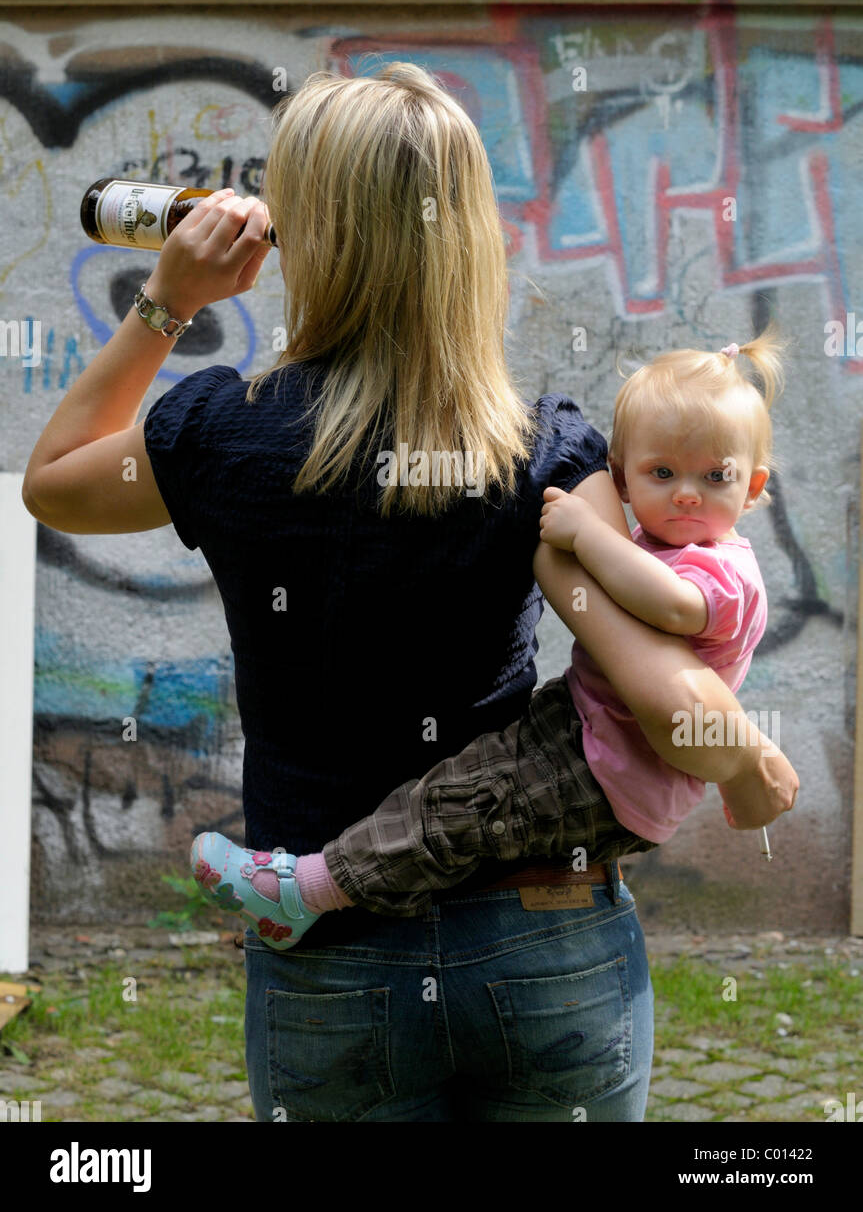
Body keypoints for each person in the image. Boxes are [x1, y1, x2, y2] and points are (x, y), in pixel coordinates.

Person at [22, 62, 798, 1122]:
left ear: (307, 232)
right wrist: (742, 755)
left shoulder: (218, 432)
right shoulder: (548, 454)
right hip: (543, 932)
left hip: (328, 953)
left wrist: (170, 300)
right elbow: (674, 690)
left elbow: (52, 481)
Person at [190, 328, 796, 951]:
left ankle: (304, 893)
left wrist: (589, 536)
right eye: (662, 472)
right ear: (620, 478)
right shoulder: (657, 544)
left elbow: (673, 606)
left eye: (716, 476)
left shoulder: (725, 570)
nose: (688, 493)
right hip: (588, 732)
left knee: (460, 814)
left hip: (619, 774)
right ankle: (323, 903)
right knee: (458, 793)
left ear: (752, 488)